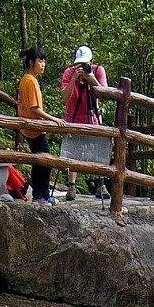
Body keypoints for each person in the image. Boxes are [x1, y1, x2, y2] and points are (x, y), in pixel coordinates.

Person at [59, 46, 111, 198]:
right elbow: (65, 97)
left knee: (97, 151)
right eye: (79, 64)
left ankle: (100, 185)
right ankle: (72, 186)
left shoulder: (98, 70)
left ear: (91, 61)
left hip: (92, 117)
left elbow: (105, 93)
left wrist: (90, 78)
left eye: (85, 63)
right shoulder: (69, 72)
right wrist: (75, 78)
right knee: (72, 152)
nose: (81, 67)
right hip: (73, 117)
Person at [15, 46, 55, 203]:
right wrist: (53, 119)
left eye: (44, 60)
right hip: (34, 128)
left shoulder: (28, 79)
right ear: (31, 62)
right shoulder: (30, 81)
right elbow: (34, 108)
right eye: (40, 60)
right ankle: (40, 196)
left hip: (32, 127)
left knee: (41, 161)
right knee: (44, 162)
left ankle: (43, 195)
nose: (43, 64)